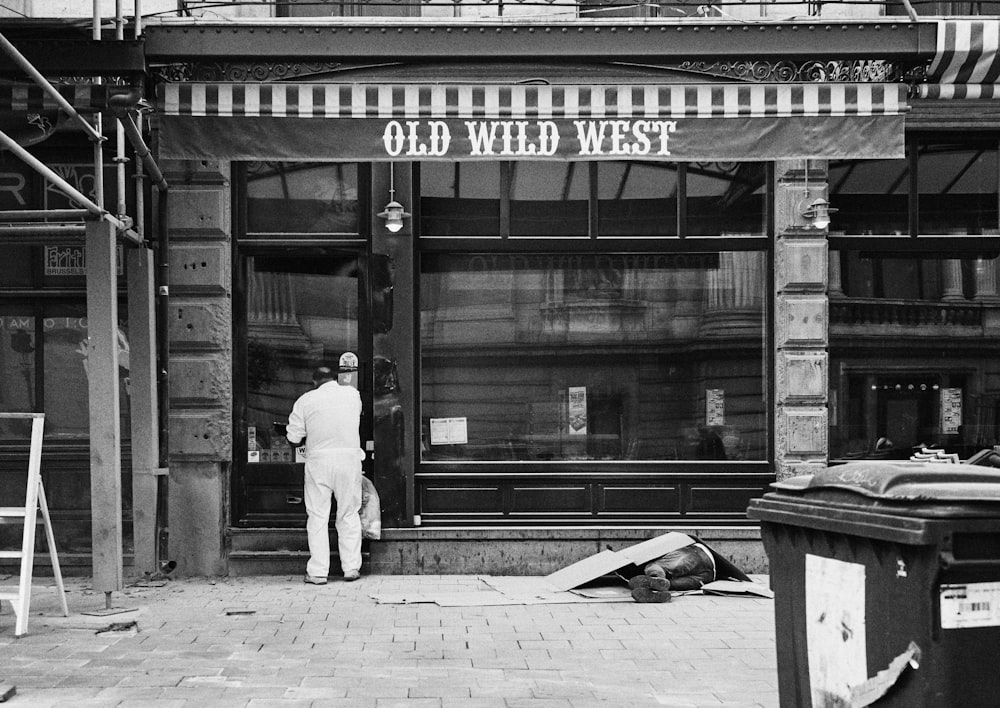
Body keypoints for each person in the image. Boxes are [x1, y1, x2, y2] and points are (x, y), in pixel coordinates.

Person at [285, 361, 364, 585]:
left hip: (319, 461)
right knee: (349, 513)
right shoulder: (352, 395)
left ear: (314, 382)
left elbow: (294, 437)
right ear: (336, 378)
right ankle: (351, 568)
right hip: (348, 460)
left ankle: (319, 572)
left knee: (318, 516)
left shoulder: (306, 400)